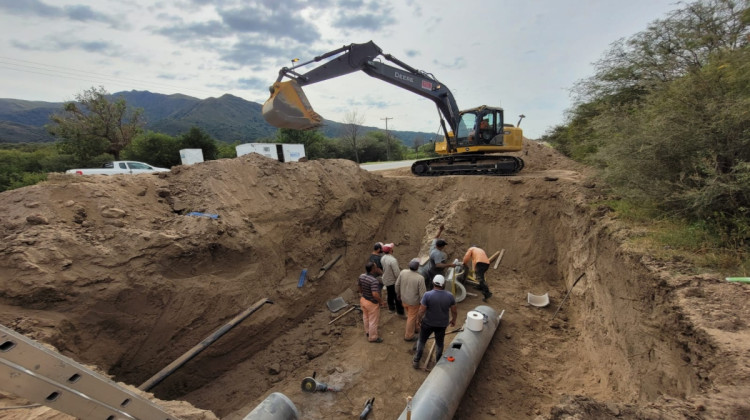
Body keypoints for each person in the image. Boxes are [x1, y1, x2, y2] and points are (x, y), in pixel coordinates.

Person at [412, 274, 457, 369]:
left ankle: (416, 360)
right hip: (442, 325)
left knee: (422, 341)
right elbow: (454, 310)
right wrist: (453, 320)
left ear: (433, 283)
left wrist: (418, 320)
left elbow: (421, 310)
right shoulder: (450, 296)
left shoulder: (427, 295)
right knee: (439, 343)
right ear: (443, 284)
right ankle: (438, 361)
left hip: (427, 323)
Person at [395, 258, 427, 341]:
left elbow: (397, 285)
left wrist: (398, 294)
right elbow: (422, 294)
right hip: (413, 302)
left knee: (411, 315)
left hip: (404, 299)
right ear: (417, 267)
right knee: (411, 317)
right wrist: (423, 303)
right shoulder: (420, 278)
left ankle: (416, 328)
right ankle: (409, 336)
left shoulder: (403, 272)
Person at [419, 225, 456, 290]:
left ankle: (430, 288)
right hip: (435, 271)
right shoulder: (438, 254)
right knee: (436, 282)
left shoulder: (433, 246)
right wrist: (450, 265)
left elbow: (435, 237)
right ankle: (432, 291)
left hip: (430, 268)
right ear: (442, 247)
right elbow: (438, 265)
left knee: (431, 281)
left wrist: (440, 230)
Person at [358, 261, 384, 343]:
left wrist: (363, 293)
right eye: (376, 267)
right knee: (373, 320)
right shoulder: (374, 281)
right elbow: (375, 294)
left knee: (366, 317)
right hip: (371, 303)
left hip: (363, 300)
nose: (377, 268)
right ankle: (373, 337)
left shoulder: (361, 276)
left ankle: (368, 332)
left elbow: (359, 287)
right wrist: (381, 301)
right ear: (373, 269)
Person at [380, 243, 404, 315]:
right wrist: (400, 280)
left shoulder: (383, 258)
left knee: (390, 294)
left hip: (386, 279)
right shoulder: (393, 260)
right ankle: (400, 311)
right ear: (390, 250)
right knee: (397, 295)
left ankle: (391, 308)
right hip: (393, 280)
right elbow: (396, 272)